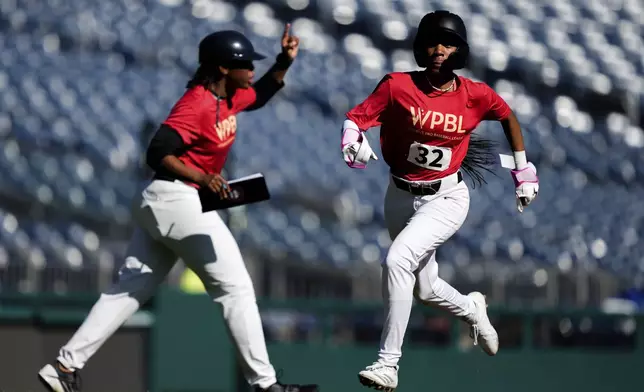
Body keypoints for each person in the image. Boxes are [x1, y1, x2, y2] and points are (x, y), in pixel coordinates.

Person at [38, 25, 319, 392]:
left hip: (169, 202)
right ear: (221, 68)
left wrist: (284, 61)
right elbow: (156, 151)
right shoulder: (197, 103)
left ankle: (63, 366)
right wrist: (202, 177)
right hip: (175, 197)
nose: (251, 69)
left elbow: (262, 93)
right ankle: (265, 385)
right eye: (244, 63)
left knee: (129, 290)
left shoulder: (229, 97)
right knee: (235, 287)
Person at [340, 10, 539, 391]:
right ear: (420, 47)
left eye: (447, 43)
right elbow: (356, 118)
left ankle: (388, 363)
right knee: (425, 288)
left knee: (397, 260)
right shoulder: (397, 86)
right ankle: (472, 309)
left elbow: (508, 116)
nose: (439, 49)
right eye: (432, 41)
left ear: (460, 51)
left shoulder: (474, 94)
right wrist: (352, 139)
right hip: (398, 196)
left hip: (446, 197)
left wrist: (523, 171)